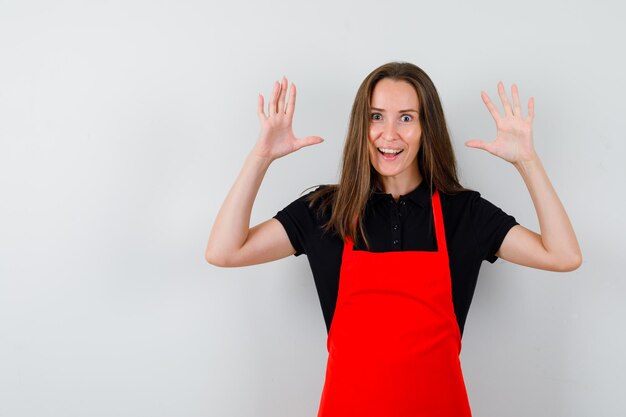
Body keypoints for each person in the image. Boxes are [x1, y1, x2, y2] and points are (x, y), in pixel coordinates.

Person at [205, 62, 582, 416]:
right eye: (376, 117)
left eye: (406, 118)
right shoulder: (327, 211)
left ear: (426, 128)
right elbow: (224, 251)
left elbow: (563, 255)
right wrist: (261, 156)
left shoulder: (462, 213)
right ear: (361, 126)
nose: (389, 134)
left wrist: (527, 162)